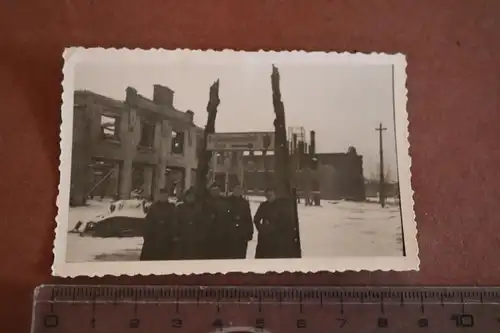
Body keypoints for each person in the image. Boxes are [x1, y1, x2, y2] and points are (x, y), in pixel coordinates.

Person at [140, 188, 178, 261]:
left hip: (167, 238)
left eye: (165, 195)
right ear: (159, 196)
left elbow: (174, 221)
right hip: (155, 237)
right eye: (162, 195)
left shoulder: (171, 207)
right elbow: (148, 221)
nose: (163, 197)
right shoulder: (154, 207)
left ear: (167, 196)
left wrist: (174, 235)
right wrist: (147, 234)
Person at [175, 187, 204, 260]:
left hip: (194, 235)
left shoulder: (198, 208)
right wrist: (176, 234)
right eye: (189, 196)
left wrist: (200, 234)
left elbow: (201, 222)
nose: (190, 198)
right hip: (183, 235)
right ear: (185, 197)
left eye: (192, 196)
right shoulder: (180, 207)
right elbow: (175, 221)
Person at [226, 185, 254, 259]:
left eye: (240, 189)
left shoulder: (245, 203)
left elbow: (248, 218)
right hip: (230, 234)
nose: (238, 191)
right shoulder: (227, 201)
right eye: (236, 189)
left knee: (241, 255)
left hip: (242, 234)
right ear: (233, 190)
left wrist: (250, 232)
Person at [204, 183, 230, 259]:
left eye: (217, 190)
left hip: (222, 232)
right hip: (209, 233)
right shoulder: (206, 202)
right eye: (213, 190)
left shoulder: (224, 201)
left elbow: (228, 216)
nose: (215, 192)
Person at [253, 188, 280, 259]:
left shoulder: (280, 206)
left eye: (271, 195)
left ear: (275, 195)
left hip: (276, 237)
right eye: (267, 195)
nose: (269, 197)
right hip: (264, 237)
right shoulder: (263, 206)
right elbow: (256, 219)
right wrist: (261, 229)